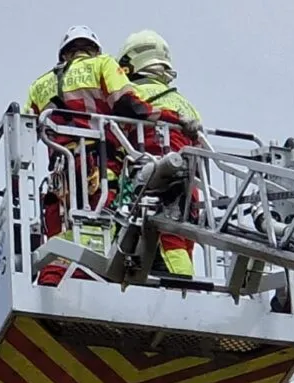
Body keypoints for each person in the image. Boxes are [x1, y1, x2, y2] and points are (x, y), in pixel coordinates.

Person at [25, 25, 201, 286]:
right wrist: (169, 118)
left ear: (64, 53)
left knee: (62, 231)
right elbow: (129, 105)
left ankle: (53, 283)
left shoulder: (39, 85)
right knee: (102, 227)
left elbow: (24, 129)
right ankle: (95, 282)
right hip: (99, 170)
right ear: (94, 50)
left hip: (61, 176)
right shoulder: (102, 65)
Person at [116, 29, 201, 277]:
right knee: (183, 242)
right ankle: (185, 282)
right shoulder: (185, 103)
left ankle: (181, 286)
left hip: (156, 183)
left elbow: (117, 135)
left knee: (168, 242)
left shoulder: (133, 94)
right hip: (189, 188)